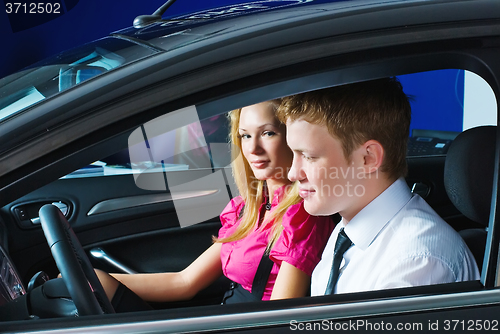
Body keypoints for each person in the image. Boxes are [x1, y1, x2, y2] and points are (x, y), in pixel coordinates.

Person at [96, 100, 335, 310]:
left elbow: (277, 321)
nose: (253, 149)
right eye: (245, 135)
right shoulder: (249, 209)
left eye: (268, 133)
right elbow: (184, 282)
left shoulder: (302, 217)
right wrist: (97, 280)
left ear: (293, 137)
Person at [276, 78, 480, 296]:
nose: (293, 173)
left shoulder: (415, 263)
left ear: (368, 158)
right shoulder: (347, 230)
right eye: (294, 154)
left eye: (309, 156)